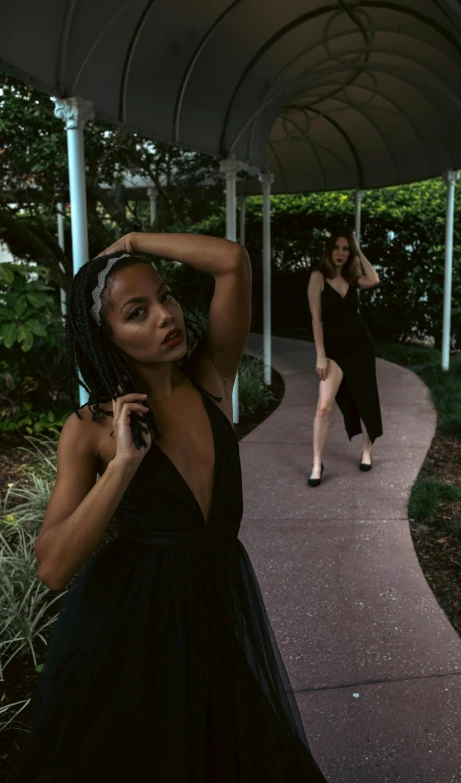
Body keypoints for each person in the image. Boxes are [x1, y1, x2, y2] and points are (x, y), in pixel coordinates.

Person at [11, 232, 328, 782]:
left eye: (166, 296)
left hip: (212, 604)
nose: (165, 316)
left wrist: (131, 241)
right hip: (135, 626)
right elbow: (52, 566)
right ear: (107, 336)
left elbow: (232, 261)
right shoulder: (90, 428)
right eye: (138, 312)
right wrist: (123, 467)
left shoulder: (210, 379)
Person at [307, 229, 382, 487]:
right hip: (334, 351)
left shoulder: (352, 277)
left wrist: (360, 251)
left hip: (360, 347)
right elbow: (316, 319)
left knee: (365, 399)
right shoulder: (318, 277)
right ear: (329, 250)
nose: (341, 253)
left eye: (346, 249)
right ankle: (317, 463)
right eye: (337, 248)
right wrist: (320, 355)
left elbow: (374, 280)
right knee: (324, 406)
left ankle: (367, 452)